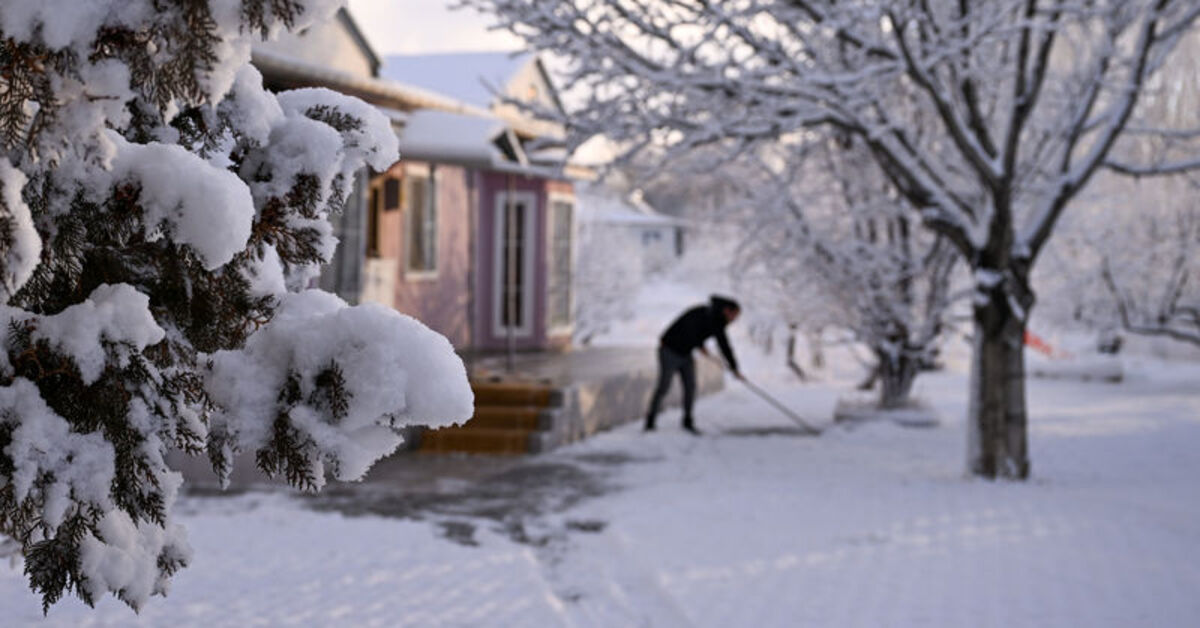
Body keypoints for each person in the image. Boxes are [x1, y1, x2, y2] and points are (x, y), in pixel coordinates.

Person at [645, 295, 743, 434]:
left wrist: (734, 368)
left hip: (685, 354)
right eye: (735, 315)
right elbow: (689, 329)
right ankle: (650, 422)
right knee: (664, 386)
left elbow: (724, 345)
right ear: (727, 310)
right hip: (669, 350)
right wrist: (700, 345)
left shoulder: (719, 323)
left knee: (690, 387)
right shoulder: (702, 312)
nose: (735, 319)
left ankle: (687, 422)